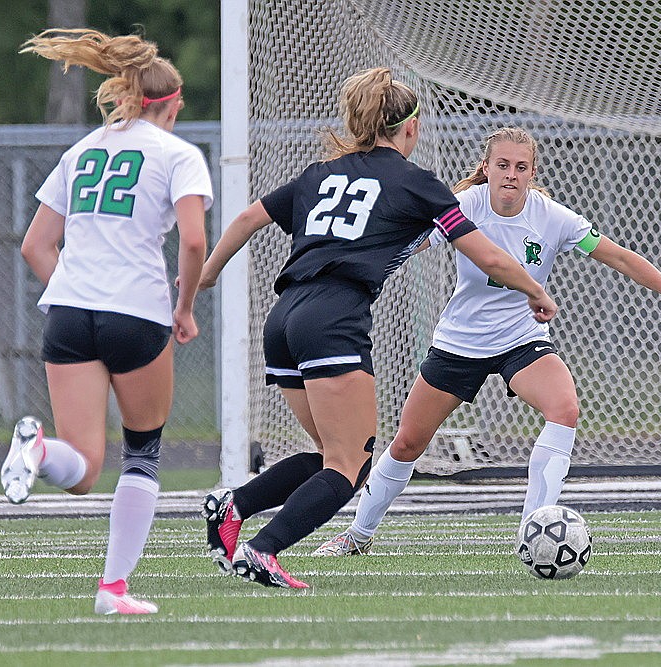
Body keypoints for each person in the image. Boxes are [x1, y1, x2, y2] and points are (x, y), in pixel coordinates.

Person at [198, 69, 558, 589]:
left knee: (331, 454)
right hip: (333, 318)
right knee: (349, 468)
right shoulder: (417, 183)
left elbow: (247, 221)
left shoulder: (319, 173)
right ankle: (263, 549)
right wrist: (537, 291)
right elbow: (490, 257)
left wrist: (207, 276)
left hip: (284, 318)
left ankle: (234, 505)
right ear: (408, 129)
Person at [313, 126, 661, 556]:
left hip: (522, 338)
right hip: (460, 342)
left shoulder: (552, 217)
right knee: (409, 442)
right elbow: (411, 242)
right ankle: (356, 536)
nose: (510, 175)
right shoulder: (464, 205)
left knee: (564, 409)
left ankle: (535, 534)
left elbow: (616, 255)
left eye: (520, 167)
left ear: (532, 172)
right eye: (502, 165)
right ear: (486, 168)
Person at [0, 29, 211, 614]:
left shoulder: (83, 149)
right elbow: (193, 240)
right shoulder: (177, 155)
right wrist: (186, 306)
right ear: (169, 103)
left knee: (84, 464)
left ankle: (38, 452)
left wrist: (74, 290)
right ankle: (112, 590)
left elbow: (37, 246)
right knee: (140, 452)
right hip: (137, 311)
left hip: (70, 312)